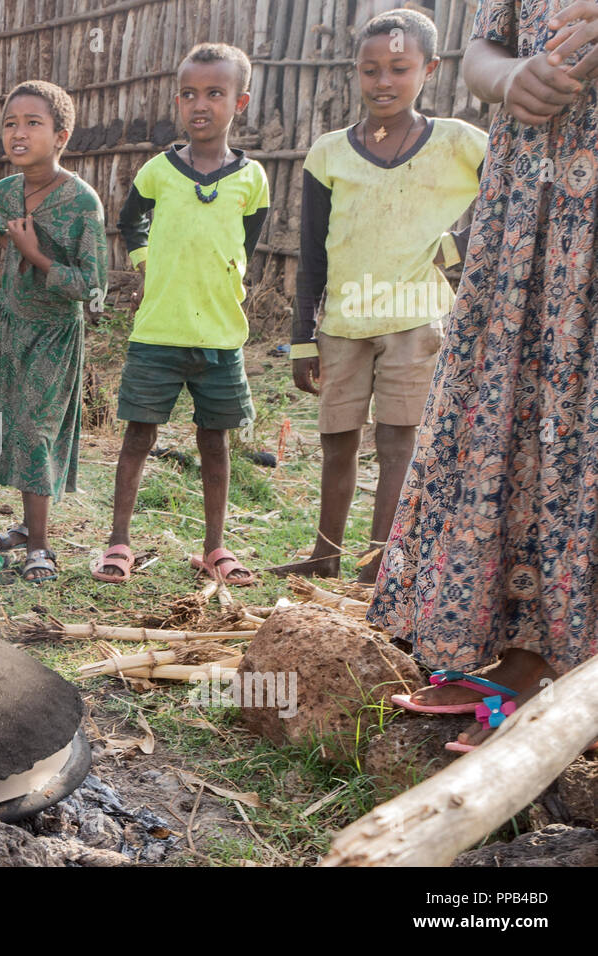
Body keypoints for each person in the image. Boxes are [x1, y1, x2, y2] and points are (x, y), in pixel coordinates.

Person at [370, 0, 598, 753]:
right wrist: (511, 78)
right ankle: (523, 654)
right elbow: (482, 47)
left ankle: (577, 672)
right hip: (526, 200)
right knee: (519, 404)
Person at [276, 8, 488, 585]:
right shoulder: (329, 152)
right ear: (356, 73)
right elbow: (313, 251)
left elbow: (514, 193)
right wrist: (301, 337)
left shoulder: (460, 143)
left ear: (430, 70)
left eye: (399, 67)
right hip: (342, 325)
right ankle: (325, 553)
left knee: (398, 442)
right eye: (370, 70)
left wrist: (455, 250)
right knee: (337, 440)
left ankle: (378, 565)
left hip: (416, 323)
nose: (384, 81)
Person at [93, 43, 269, 586]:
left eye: (215, 94)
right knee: (137, 436)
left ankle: (215, 548)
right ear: (177, 100)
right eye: (190, 94)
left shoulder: (252, 178)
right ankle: (119, 541)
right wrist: (146, 264)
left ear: (238, 102)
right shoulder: (159, 171)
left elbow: (249, 238)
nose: (201, 105)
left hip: (219, 336)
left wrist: (232, 276)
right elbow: (130, 221)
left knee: (214, 441)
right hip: (158, 333)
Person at [0, 80, 108, 584]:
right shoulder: (6, 192)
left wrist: (35, 255)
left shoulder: (81, 202)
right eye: (10, 124)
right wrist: (1, 218)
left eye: (33, 123)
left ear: (61, 136)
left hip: (53, 333)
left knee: (36, 433)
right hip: (10, 325)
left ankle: (42, 546)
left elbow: (94, 288)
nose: (18, 133)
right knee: (10, 429)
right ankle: (29, 528)